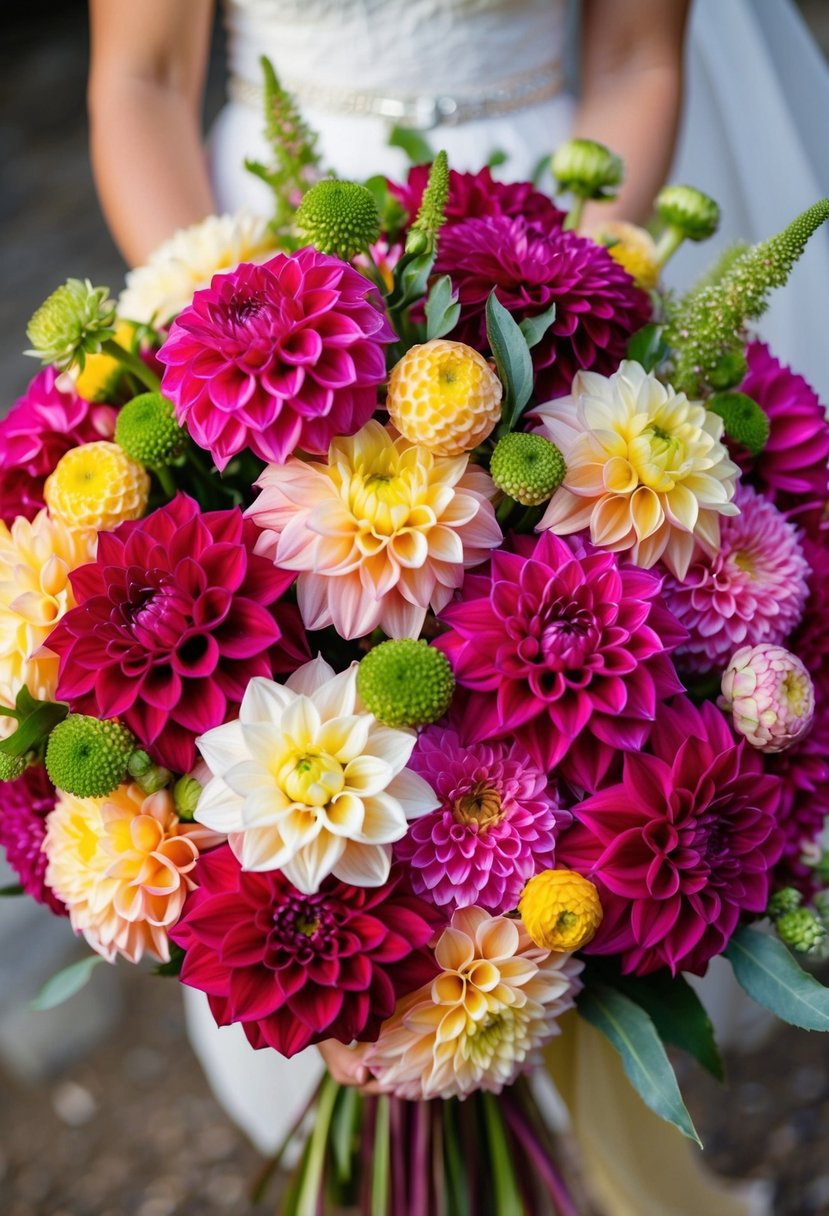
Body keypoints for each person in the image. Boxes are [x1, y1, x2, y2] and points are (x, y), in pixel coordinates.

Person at [85, 3, 828, 1213]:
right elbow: (140, 83)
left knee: (569, 805)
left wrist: (586, 289)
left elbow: (639, 54)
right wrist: (229, 345)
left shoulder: (563, 296)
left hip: (551, 235)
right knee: (285, 840)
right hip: (240, 265)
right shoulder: (234, 312)